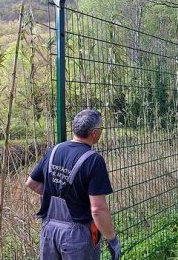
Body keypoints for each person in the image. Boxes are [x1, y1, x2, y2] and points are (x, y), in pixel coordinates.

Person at [26, 109, 121, 260]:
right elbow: (97, 209)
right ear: (94, 133)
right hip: (77, 236)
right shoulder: (94, 160)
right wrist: (113, 240)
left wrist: (58, 193)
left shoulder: (54, 151)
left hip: (49, 231)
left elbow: (31, 183)